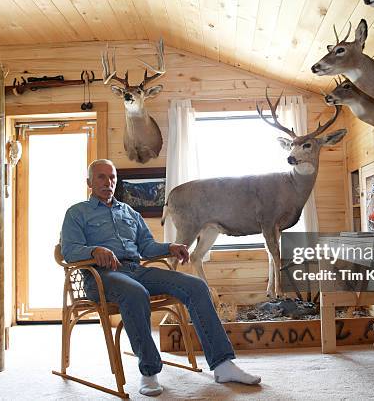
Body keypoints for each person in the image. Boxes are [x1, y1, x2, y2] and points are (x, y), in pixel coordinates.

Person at [61, 159, 261, 396]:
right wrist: (94, 251)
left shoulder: (129, 212)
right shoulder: (77, 213)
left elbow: (146, 247)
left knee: (196, 286)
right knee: (135, 293)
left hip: (136, 270)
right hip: (101, 277)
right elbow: (69, 250)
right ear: (89, 182)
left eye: (112, 177)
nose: (109, 182)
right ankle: (149, 371)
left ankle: (223, 364)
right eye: (102, 177)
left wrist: (170, 247)